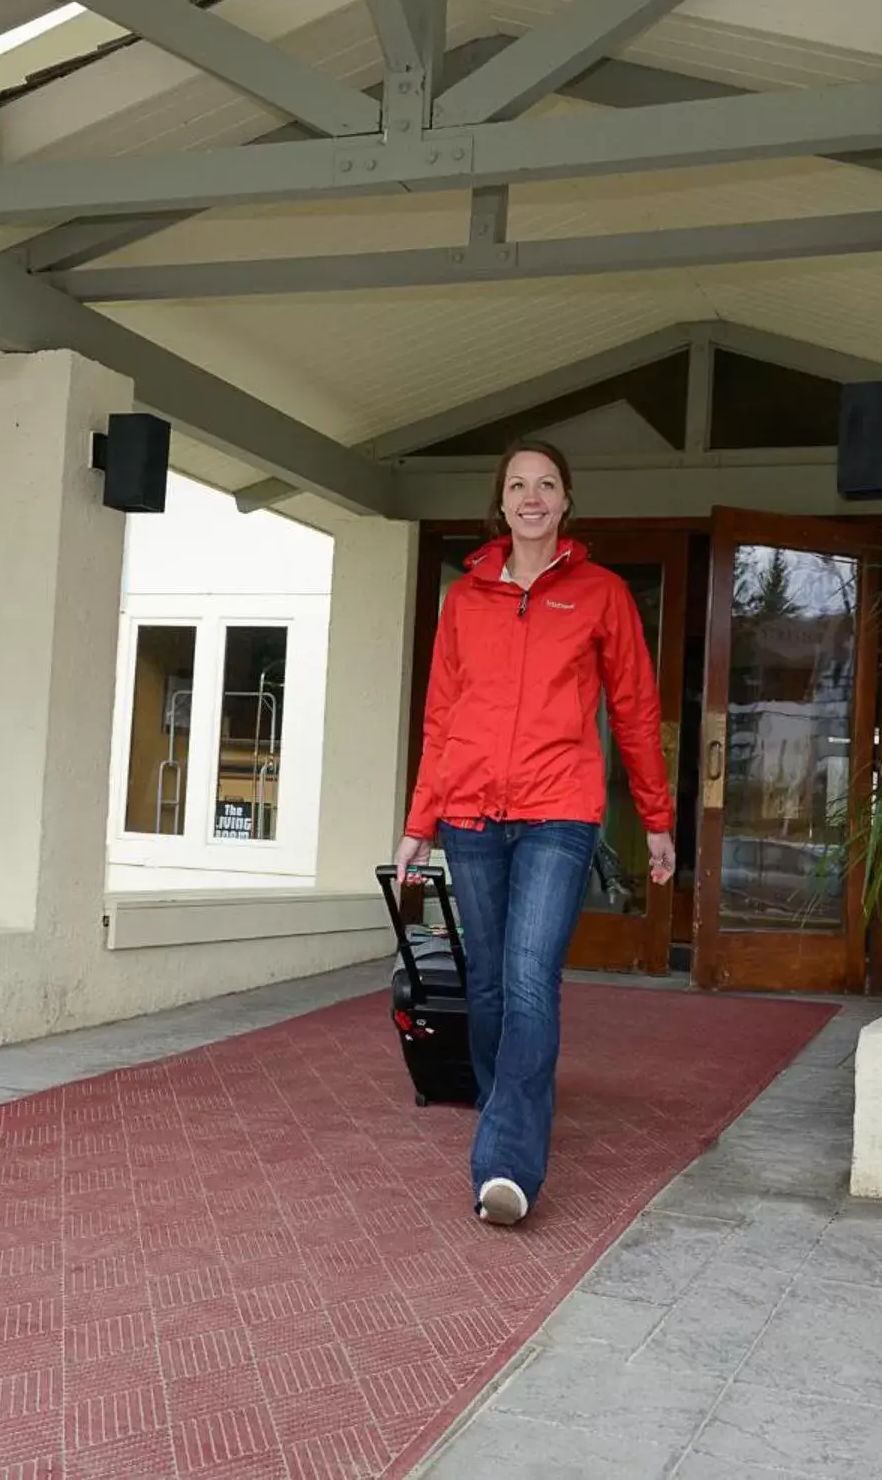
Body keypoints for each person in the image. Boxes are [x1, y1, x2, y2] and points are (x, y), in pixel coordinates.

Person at [394, 438, 676, 1227]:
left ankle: (507, 1162)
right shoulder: (466, 600)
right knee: (486, 985)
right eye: (518, 484)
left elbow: (635, 710)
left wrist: (655, 817)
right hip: (471, 814)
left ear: (566, 501)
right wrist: (420, 824)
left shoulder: (600, 595)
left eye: (547, 483)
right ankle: (506, 1107)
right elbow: (442, 717)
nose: (532, 496)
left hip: (560, 810)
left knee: (527, 978)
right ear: (502, 502)